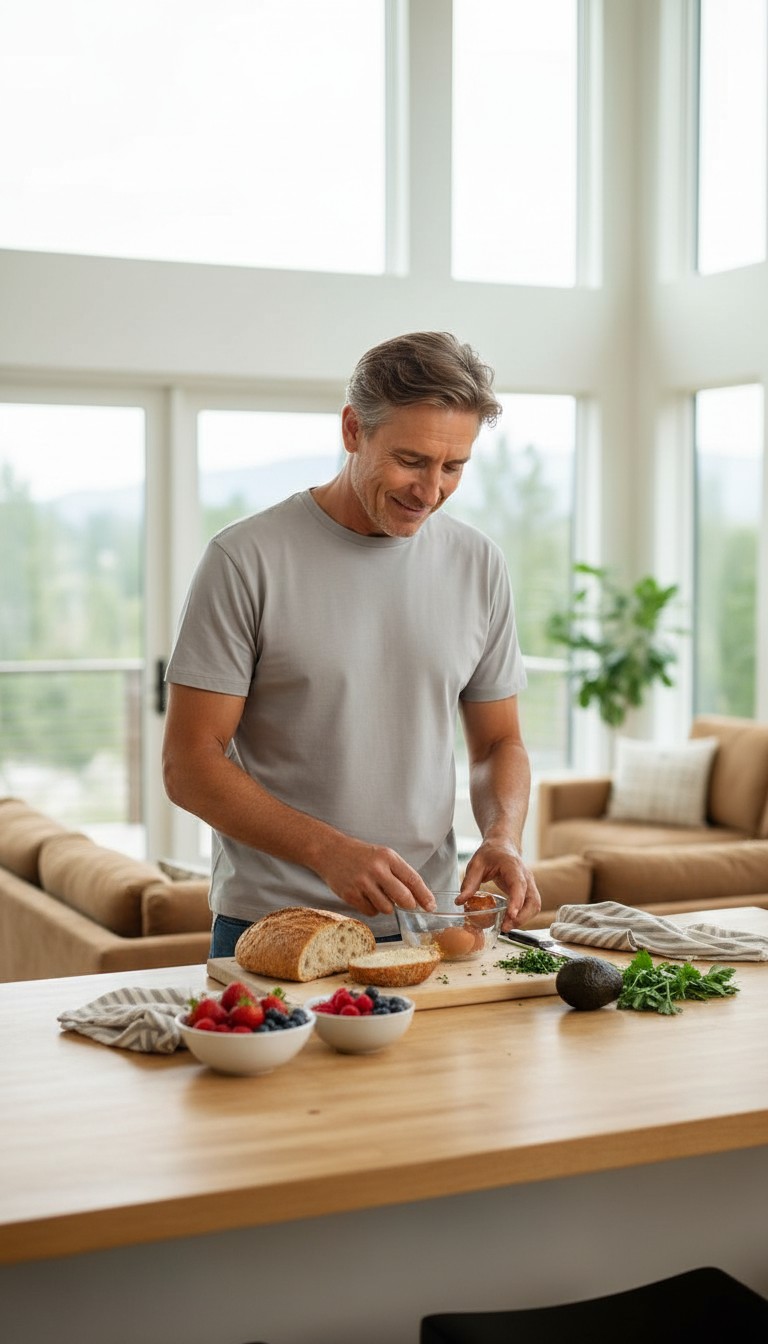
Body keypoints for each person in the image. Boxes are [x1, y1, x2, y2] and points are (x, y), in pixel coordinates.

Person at [162, 331, 541, 957]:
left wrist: (503, 836)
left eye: (454, 467)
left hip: (430, 927)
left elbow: (499, 743)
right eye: (411, 461)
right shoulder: (245, 559)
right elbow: (189, 765)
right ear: (352, 430)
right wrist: (327, 851)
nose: (431, 491)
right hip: (274, 927)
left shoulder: (479, 564)